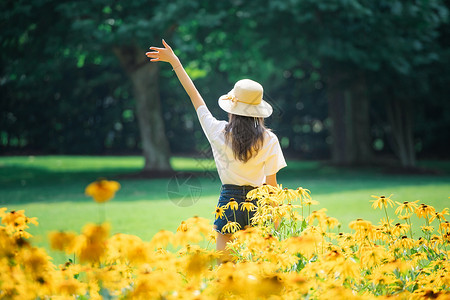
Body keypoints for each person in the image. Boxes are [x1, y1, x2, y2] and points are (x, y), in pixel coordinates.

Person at [146, 40, 287, 257]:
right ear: (258, 111)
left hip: (228, 202)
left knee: (224, 268)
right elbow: (272, 187)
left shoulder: (217, 131)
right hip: (259, 204)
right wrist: (276, 224)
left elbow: (195, 97)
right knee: (258, 267)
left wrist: (175, 62)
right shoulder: (269, 139)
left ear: (232, 108)